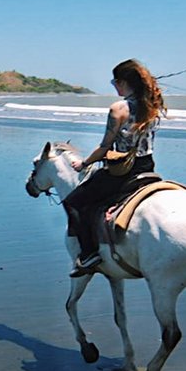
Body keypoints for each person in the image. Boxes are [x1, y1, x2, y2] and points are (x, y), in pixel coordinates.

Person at [62, 59, 167, 277]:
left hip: (122, 171)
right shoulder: (152, 105)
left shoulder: (119, 109)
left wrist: (84, 163)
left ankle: (89, 254)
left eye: (114, 82)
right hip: (148, 167)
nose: (114, 87)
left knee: (73, 202)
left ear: (122, 82)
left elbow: (104, 147)